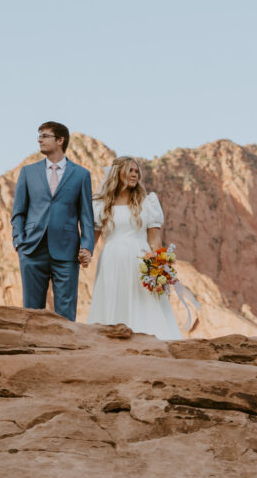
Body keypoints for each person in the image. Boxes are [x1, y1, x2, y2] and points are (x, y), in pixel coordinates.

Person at [87, 156, 181, 340]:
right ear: (118, 173)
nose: (134, 174)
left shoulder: (147, 203)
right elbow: (93, 239)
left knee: (143, 303)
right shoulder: (101, 204)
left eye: (136, 171)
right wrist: (84, 253)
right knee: (114, 299)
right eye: (130, 170)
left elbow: (154, 240)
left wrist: (159, 268)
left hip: (140, 261)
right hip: (111, 260)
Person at [11, 121, 94, 321]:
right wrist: (18, 241)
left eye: (45, 135)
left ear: (60, 140)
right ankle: (31, 350)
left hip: (66, 250)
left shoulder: (81, 175)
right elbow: (18, 212)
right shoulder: (27, 173)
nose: (40, 139)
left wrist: (87, 246)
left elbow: (86, 216)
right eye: (39, 135)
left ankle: (65, 350)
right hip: (32, 248)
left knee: (65, 311)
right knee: (31, 312)